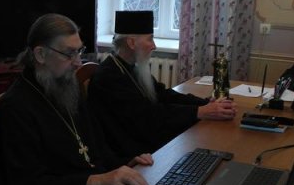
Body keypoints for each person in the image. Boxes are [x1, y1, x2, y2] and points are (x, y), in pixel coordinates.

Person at [0, 13, 152, 185]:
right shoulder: (15, 108)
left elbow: (97, 149)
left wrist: (126, 163)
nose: (78, 62)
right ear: (40, 54)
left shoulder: (67, 88)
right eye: (69, 54)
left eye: (79, 51)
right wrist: (96, 181)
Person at [87, 10, 236, 158]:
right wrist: (200, 111)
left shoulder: (131, 67)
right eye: (150, 39)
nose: (154, 46)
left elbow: (164, 95)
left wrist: (205, 104)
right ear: (131, 43)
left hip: (147, 138)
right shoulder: (108, 77)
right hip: (131, 153)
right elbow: (148, 116)